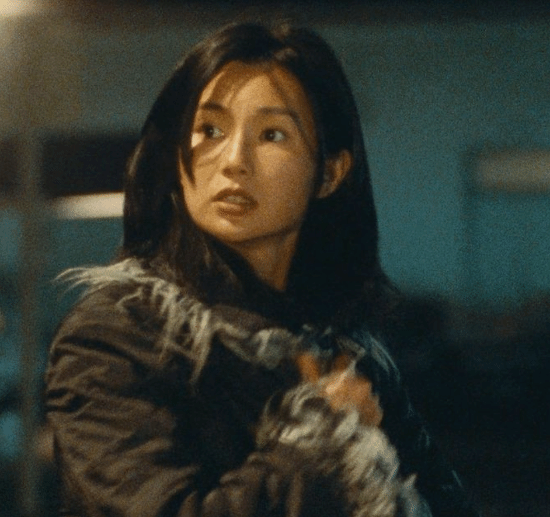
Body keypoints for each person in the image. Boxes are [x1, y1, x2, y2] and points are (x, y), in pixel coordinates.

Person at [45, 22, 480, 517]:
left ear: (330, 172)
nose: (234, 161)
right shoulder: (119, 337)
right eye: (210, 130)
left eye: (272, 134)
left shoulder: (348, 354)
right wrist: (321, 445)